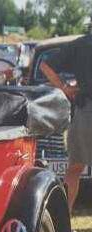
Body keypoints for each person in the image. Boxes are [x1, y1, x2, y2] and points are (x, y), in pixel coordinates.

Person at [40, 30, 92, 213]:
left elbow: (45, 65)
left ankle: (66, 217)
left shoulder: (81, 44)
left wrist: (64, 88)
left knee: (75, 167)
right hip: (86, 108)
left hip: (86, 111)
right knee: (75, 167)